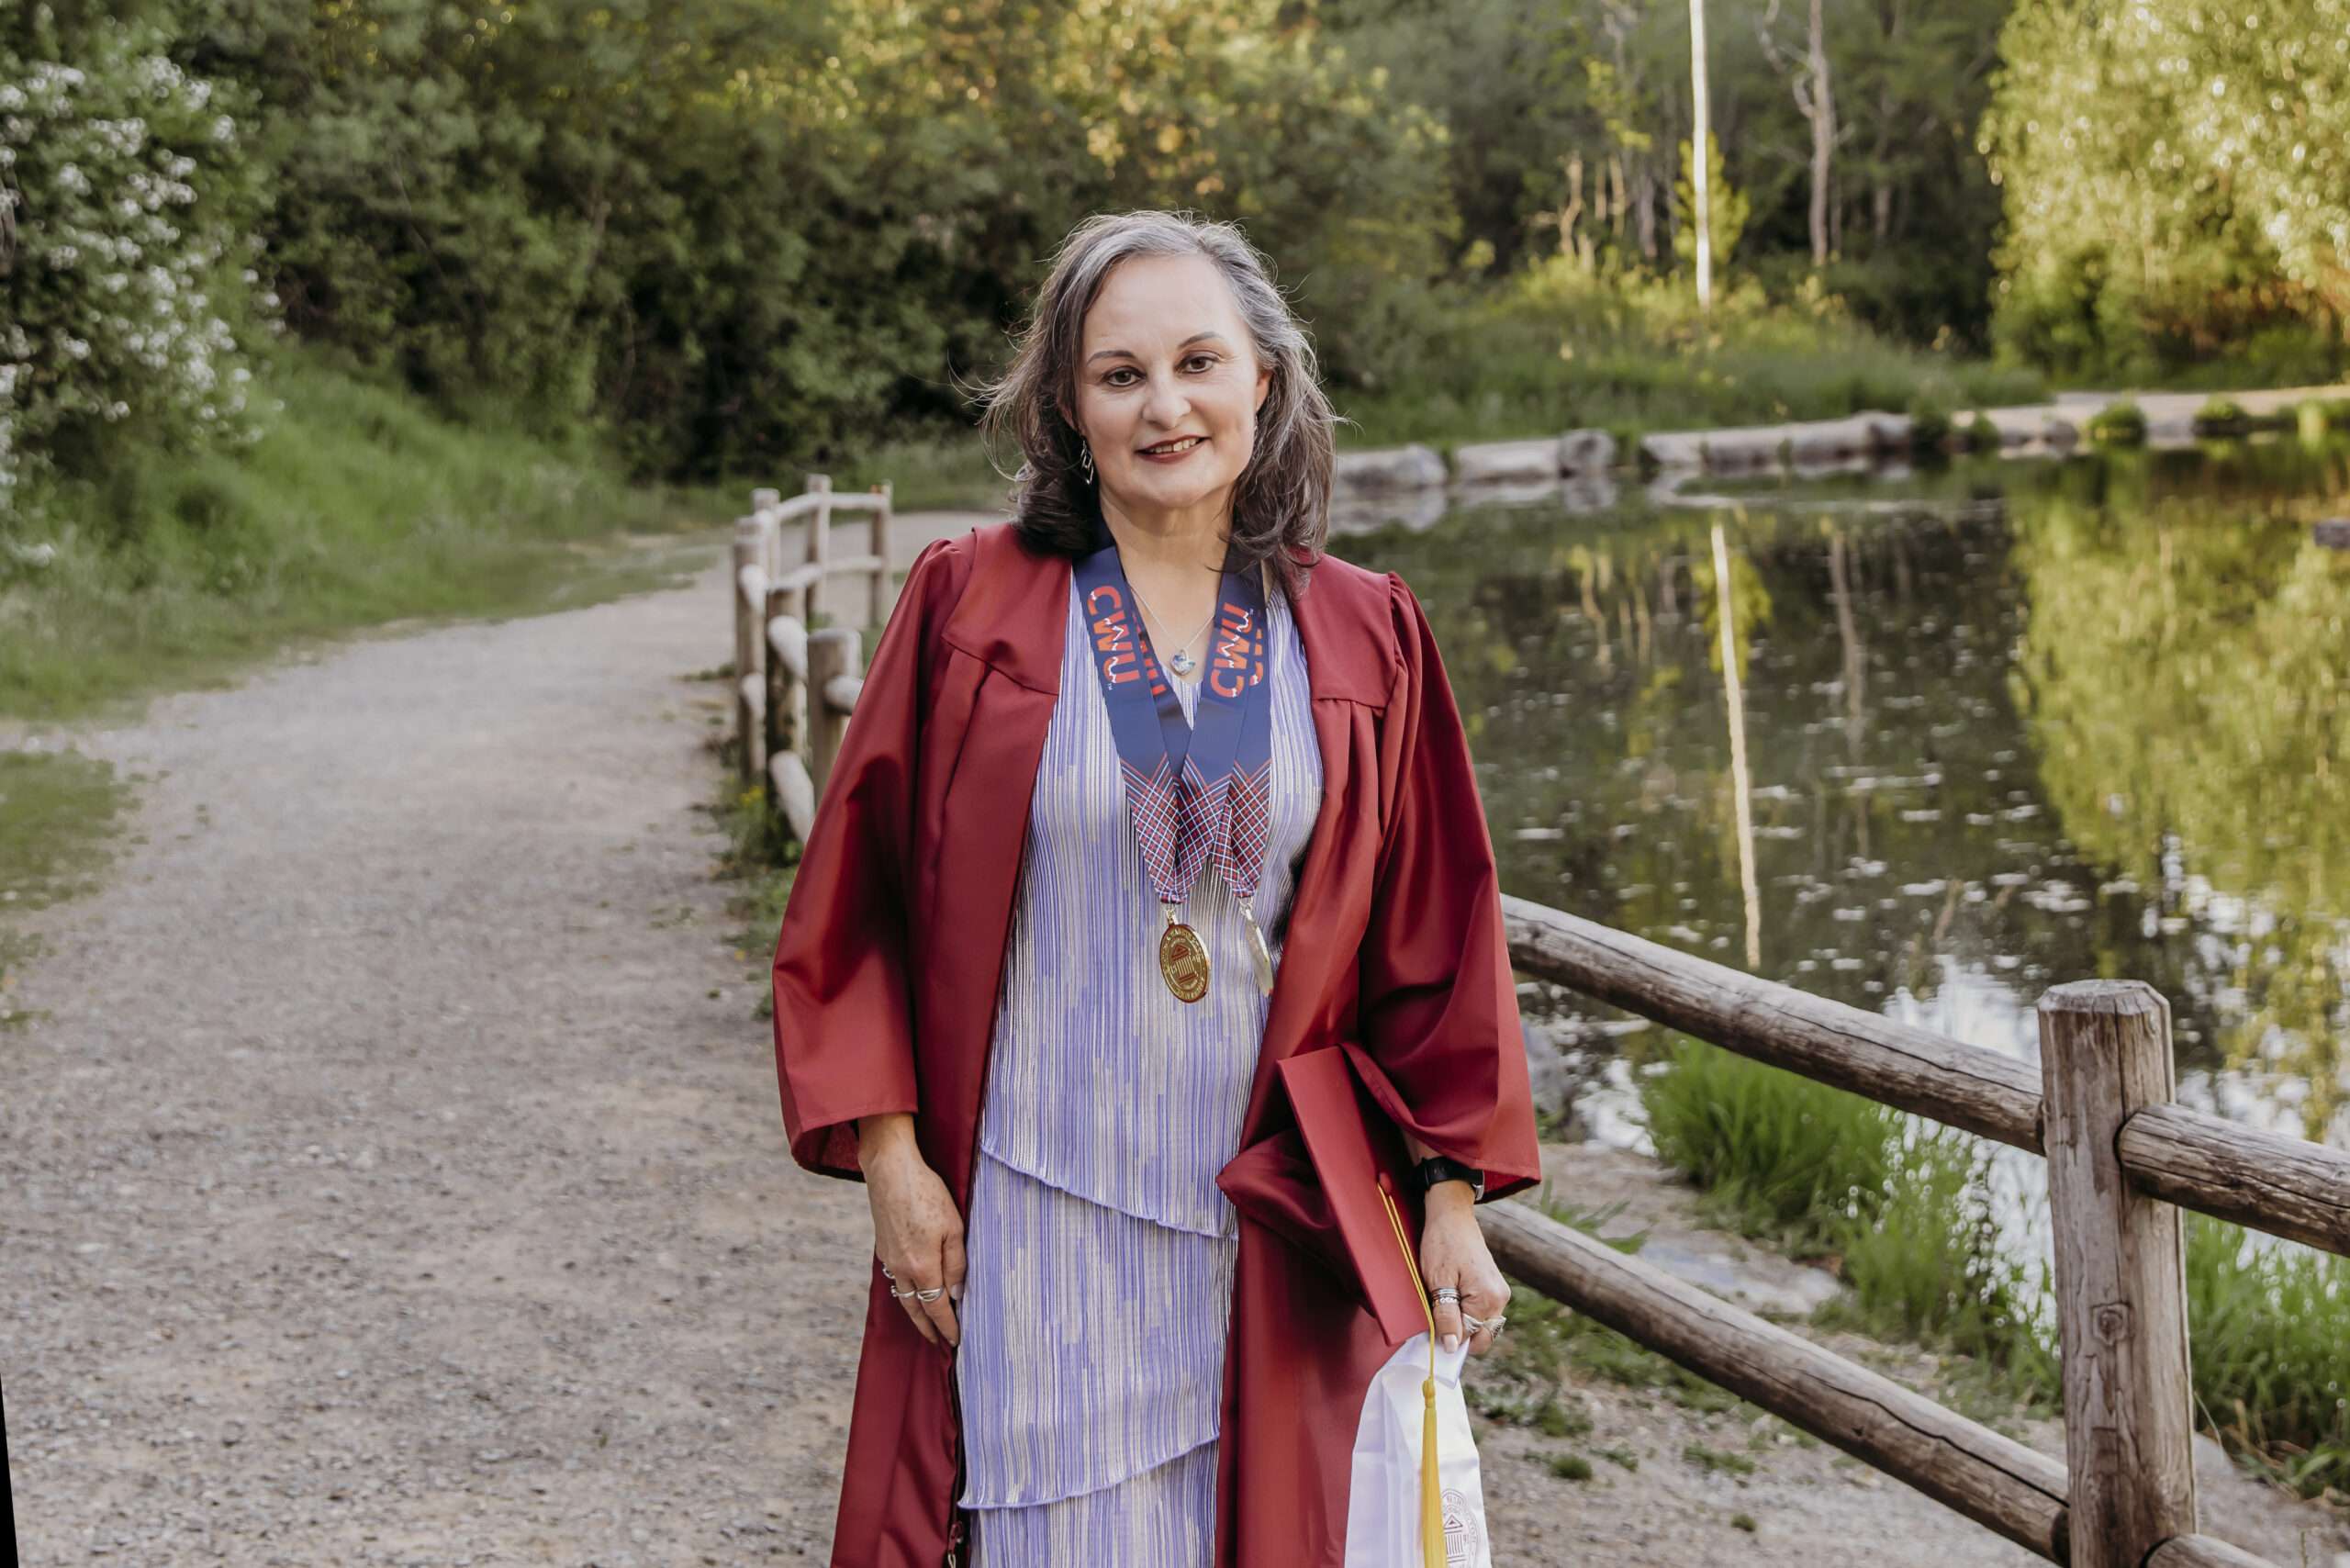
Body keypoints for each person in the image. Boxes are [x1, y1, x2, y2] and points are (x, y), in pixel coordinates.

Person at [770, 208, 1540, 1568]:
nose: (1165, 404)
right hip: (1038, 1211)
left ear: (1266, 381)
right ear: (1066, 408)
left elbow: (1439, 937)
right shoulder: (976, 608)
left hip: (1272, 1228)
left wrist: (1450, 1198)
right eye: (1120, 374)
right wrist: (893, 1161)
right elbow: (856, 906)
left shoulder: (1363, 629)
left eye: (1199, 361)